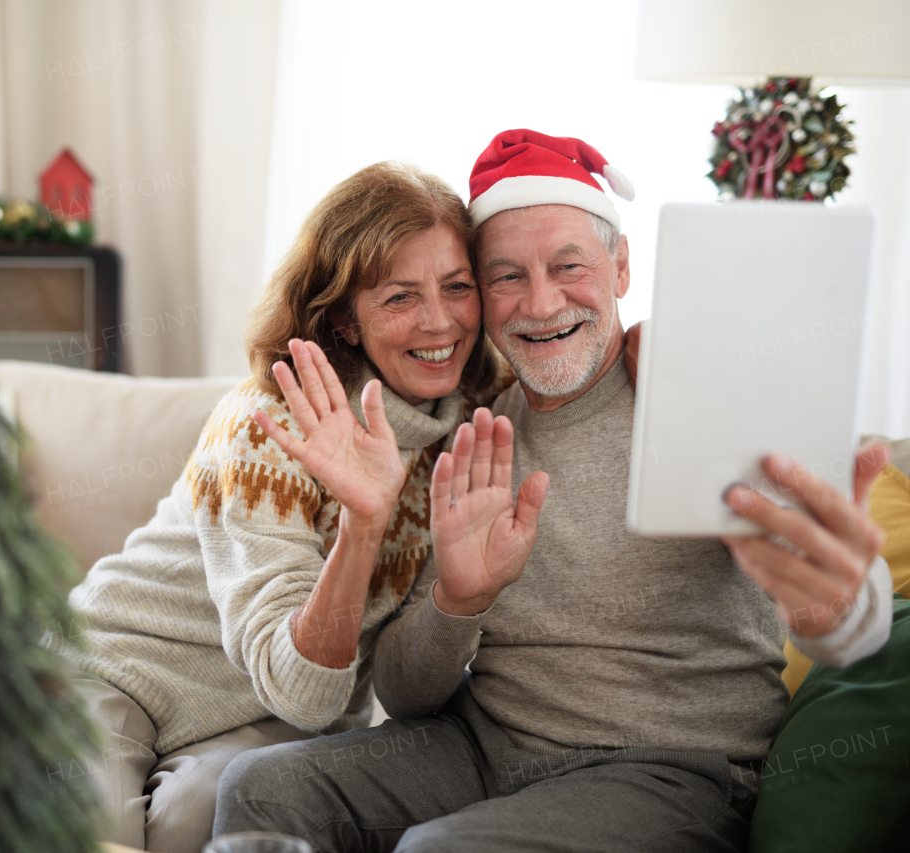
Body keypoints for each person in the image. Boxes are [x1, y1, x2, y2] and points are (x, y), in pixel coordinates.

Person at [214, 129, 894, 853]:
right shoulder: (476, 430)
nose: (541, 303)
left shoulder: (708, 395)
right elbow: (404, 694)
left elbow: (841, 613)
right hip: (480, 747)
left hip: (663, 771)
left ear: (621, 266)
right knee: (259, 788)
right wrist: (458, 602)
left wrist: (846, 603)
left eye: (568, 265)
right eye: (506, 276)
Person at [58, 161, 516, 852]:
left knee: (208, 825)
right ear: (344, 318)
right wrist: (363, 527)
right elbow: (294, 679)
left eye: (457, 287)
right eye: (399, 296)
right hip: (113, 670)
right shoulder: (266, 424)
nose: (439, 320)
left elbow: (321, 698)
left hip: (274, 709)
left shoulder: (468, 435)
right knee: (88, 831)